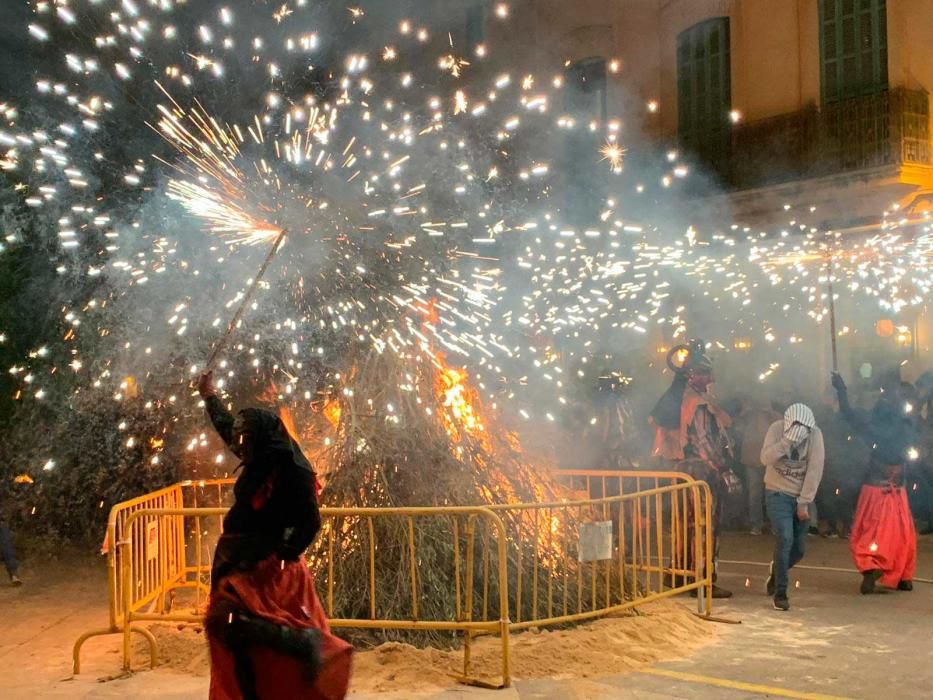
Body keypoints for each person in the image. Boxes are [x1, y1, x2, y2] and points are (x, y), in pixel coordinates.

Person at [198, 371, 352, 700]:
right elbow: (228, 428)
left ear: (261, 438)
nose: (239, 445)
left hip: (269, 568)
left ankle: (299, 645)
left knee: (232, 624)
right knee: (231, 634)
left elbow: (310, 521)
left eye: (245, 440)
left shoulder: (294, 470)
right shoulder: (258, 453)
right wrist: (209, 396)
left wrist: (282, 555)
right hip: (241, 559)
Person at [650, 341, 737, 598]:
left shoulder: (683, 399)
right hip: (701, 472)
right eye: (706, 373)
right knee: (704, 527)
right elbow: (703, 441)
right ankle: (703, 579)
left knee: (684, 525)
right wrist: (723, 469)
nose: (712, 378)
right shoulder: (697, 403)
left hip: (683, 471)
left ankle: (678, 575)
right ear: (694, 375)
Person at [832, 372, 917, 594]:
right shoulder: (905, 424)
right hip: (896, 490)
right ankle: (902, 576)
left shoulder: (871, 424)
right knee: (902, 534)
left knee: (869, 531)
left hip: (874, 489)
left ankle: (872, 568)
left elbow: (848, 414)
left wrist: (842, 391)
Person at [760, 404, 825, 611]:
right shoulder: (776, 429)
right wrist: (786, 442)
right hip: (777, 492)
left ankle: (778, 569)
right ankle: (781, 593)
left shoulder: (815, 435)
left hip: (801, 495)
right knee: (785, 538)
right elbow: (765, 458)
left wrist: (804, 502)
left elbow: (815, 469)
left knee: (798, 549)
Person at [734, 398, 781, 535]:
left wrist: (770, 412)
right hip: (751, 459)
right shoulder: (746, 415)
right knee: (754, 494)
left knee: (772, 494)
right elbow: (735, 428)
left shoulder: (774, 416)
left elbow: (783, 426)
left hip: (770, 460)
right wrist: (744, 413)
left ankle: (775, 525)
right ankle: (756, 524)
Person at [1, 477, 24, 586]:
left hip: (2, 525)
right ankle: (14, 575)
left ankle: (14, 575)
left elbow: (10, 506)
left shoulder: (6, 494)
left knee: (7, 549)